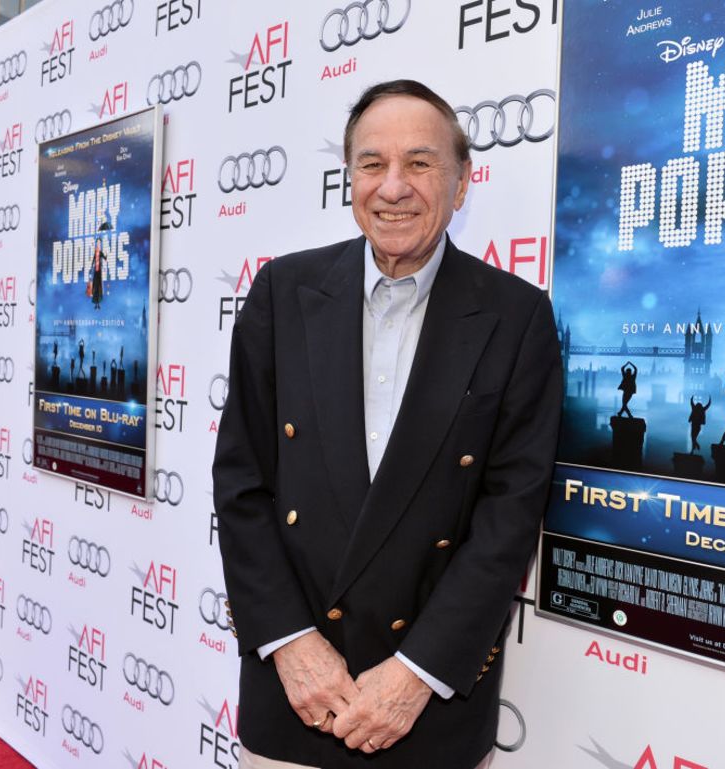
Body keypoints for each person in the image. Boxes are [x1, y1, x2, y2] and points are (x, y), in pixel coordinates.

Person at [212, 80, 563, 769]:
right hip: (296, 696)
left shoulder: (517, 316)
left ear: (461, 184)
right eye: (372, 164)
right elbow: (242, 482)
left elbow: (510, 513)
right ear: (349, 179)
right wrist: (289, 642)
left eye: (421, 163)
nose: (393, 186)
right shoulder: (283, 294)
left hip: (429, 708)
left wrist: (416, 673)